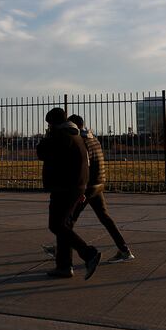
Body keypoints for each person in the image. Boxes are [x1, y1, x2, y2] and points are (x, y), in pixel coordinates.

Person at [44, 114, 135, 263]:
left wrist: (82, 190)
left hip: (87, 186)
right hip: (98, 184)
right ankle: (124, 249)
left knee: (66, 222)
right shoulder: (93, 138)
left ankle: (62, 252)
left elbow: (83, 167)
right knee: (105, 218)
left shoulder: (81, 141)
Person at [36, 107, 102, 279]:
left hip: (64, 188)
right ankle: (64, 266)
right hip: (74, 186)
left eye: (49, 124)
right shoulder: (74, 134)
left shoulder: (61, 135)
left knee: (56, 225)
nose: (48, 127)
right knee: (63, 226)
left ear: (53, 123)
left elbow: (41, 152)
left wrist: (47, 136)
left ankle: (88, 253)